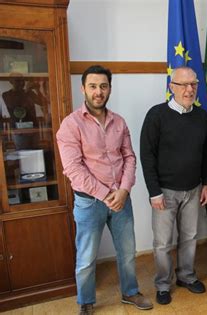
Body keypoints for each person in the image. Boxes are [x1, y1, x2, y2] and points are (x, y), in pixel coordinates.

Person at [56, 65, 153, 315]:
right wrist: (107, 195)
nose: (98, 91)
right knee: (87, 258)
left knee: (128, 252)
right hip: (89, 203)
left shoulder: (119, 122)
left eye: (103, 86)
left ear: (109, 88)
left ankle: (130, 292)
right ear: (83, 89)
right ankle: (85, 302)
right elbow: (73, 169)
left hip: (122, 199)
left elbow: (129, 157)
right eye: (93, 86)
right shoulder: (70, 125)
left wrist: (123, 190)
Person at [140, 66, 207, 305]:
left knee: (190, 236)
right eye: (183, 84)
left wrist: (206, 183)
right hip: (165, 191)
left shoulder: (202, 117)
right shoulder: (156, 115)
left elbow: (205, 155)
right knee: (162, 243)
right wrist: (154, 192)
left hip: (193, 188)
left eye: (193, 84)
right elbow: (147, 156)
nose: (189, 89)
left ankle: (187, 276)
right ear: (172, 87)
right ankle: (163, 284)